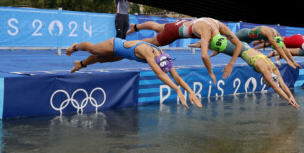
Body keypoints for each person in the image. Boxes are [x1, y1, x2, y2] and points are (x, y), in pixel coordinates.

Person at [66, 38, 202, 109]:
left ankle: (80, 64)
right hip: (115, 45)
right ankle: (75, 47)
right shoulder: (148, 52)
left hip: (121, 54)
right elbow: (161, 75)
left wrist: (190, 91)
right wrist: (177, 90)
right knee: (94, 50)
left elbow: (176, 76)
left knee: (100, 60)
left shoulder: (163, 56)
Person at [127, 18, 243, 83]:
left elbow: (238, 45)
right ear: (211, 40)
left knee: (157, 26)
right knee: (152, 42)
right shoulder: (206, 33)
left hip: (180, 23)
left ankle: (135, 27)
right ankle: (130, 45)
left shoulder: (221, 26)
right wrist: (211, 73)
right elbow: (204, 56)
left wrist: (231, 63)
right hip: (173, 33)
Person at [194, 39, 300, 109]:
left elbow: (282, 85)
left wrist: (291, 96)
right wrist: (289, 100)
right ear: (267, 79)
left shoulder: (274, 69)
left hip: (245, 46)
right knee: (218, 45)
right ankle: (200, 43)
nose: (263, 80)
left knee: (219, 43)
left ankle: (202, 43)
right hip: (240, 50)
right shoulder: (266, 70)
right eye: (265, 81)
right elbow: (276, 88)